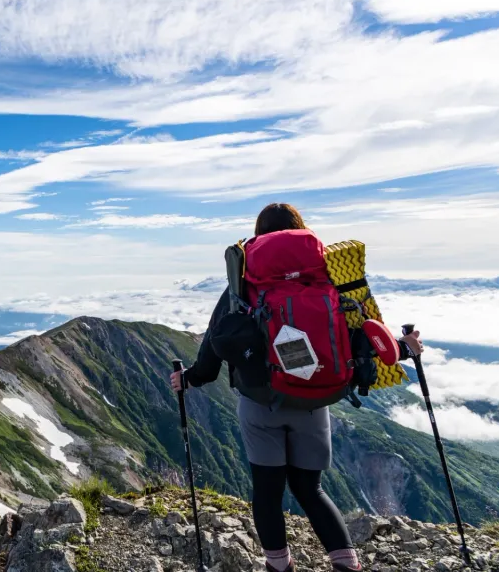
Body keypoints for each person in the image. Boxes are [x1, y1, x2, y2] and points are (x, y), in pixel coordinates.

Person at [169, 203, 423, 572]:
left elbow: (213, 347)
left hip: (261, 403)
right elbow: (364, 342)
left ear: (258, 236)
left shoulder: (243, 283)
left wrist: (188, 378)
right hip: (314, 402)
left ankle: (279, 568)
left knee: (268, 493)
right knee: (311, 489)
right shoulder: (329, 277)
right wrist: (404, 348)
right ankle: (348, 566)